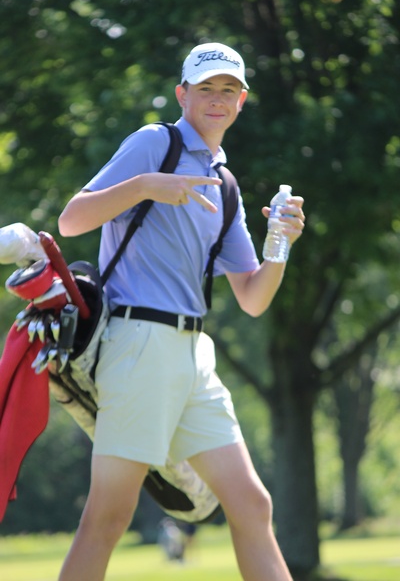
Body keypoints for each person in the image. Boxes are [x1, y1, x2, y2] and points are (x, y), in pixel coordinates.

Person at [57, 42, 305, 581]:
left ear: (241, 101)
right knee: (109, 516)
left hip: (193, 355)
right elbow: (71, 221)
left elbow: (253, 298)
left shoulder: (226, 184)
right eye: (206, 88)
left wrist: (279, 245)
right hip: (137, 344)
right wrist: (148, 185)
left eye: (229, 90)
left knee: (252, 504)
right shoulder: (156, 143)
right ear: (182, 95)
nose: (217, 98)